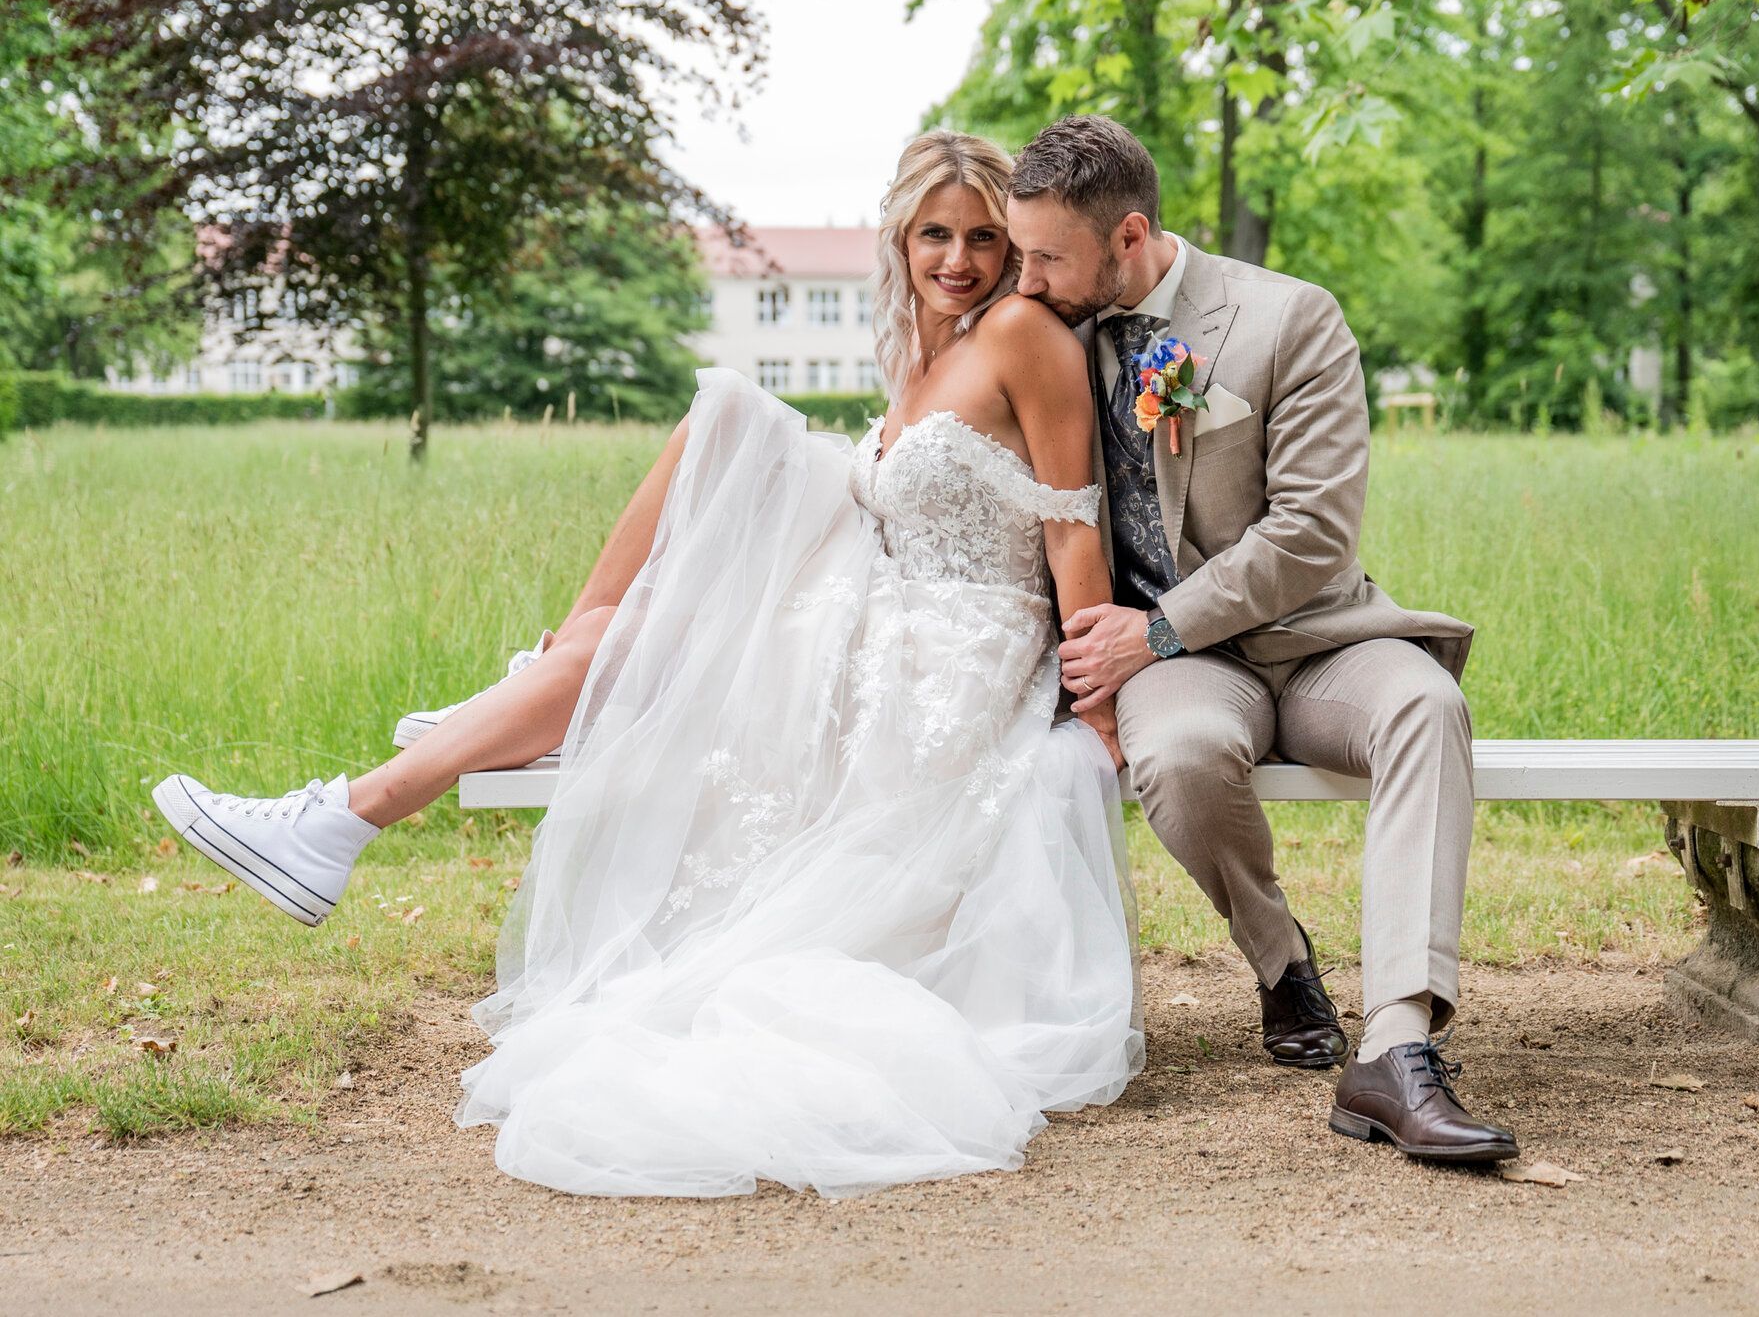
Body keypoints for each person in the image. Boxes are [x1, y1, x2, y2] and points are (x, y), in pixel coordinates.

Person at [150, 130, 1145, 1198]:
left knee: (655, 608)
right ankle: (464, 733)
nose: (959, 258)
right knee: (713, 442)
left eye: (986, 237)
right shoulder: (932, 347)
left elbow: (1071, 528)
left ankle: (375, 795)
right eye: (934, 234)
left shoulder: (1021, 333)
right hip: (884, 612)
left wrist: (1094, 706)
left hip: (952, 656)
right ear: (900, 239)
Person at [1011, 115, 1516, 1163]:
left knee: (1428, 704)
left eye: (1046, 255)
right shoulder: (1043, 331)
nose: (1025, 277)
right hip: (1186, 673)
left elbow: (1315, 530)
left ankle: (1398, 1047)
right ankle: (1282, 962)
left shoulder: (1290, 319)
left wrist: (1155, 626)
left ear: (1130, 236)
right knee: (1184, 756)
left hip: (1317, 636)